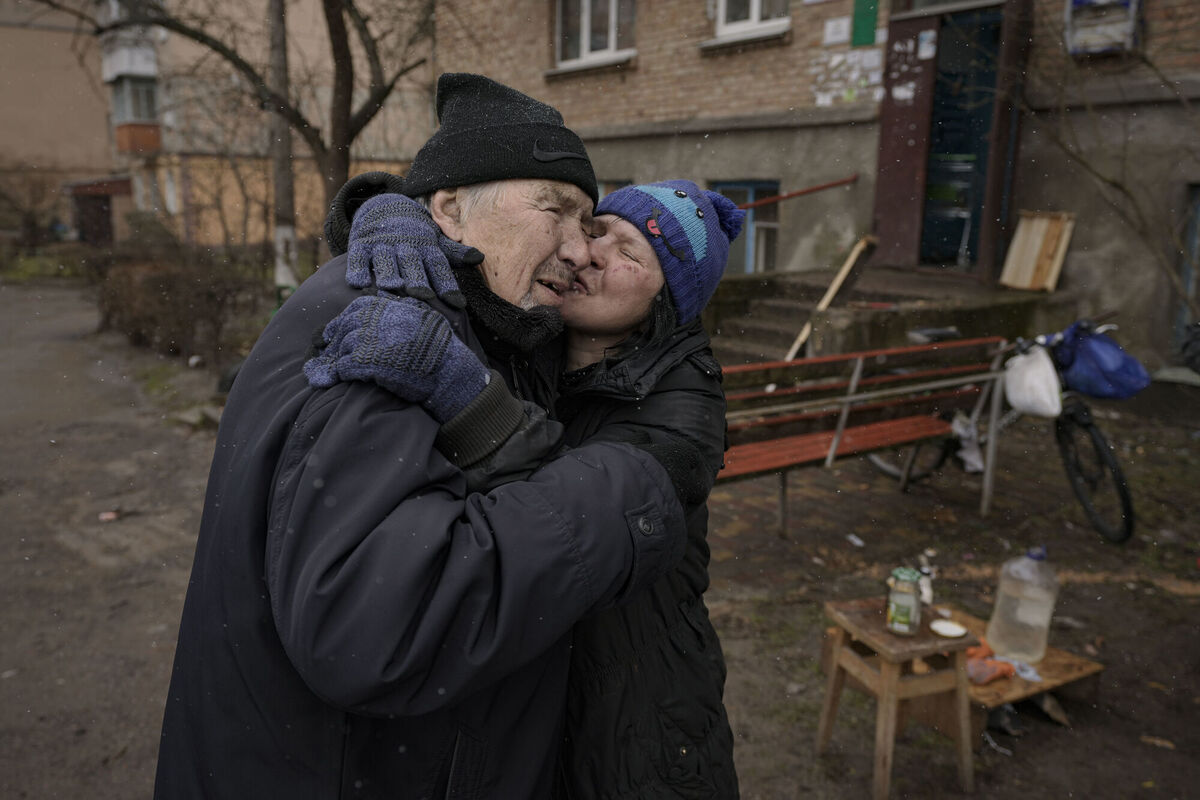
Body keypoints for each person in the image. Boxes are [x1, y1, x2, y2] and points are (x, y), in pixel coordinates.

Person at [153, 74, 699, 799]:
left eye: (590, 225)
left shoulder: (489, 317)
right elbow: (375, 627)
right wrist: (625, 497)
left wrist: (377, 203)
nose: (580, 249)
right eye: (557, 211)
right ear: (445, 210)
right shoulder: (391, 320)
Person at [308, 180, 745, 797]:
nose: (590, 254)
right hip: (528, 701)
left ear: (665, 304)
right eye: (597, 231)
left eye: (630, 254)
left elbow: (569, 511)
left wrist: (463, 393)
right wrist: (391, 216)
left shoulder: (685, 411)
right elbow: (474, 211)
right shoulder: (536, 335)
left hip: (637, 723)